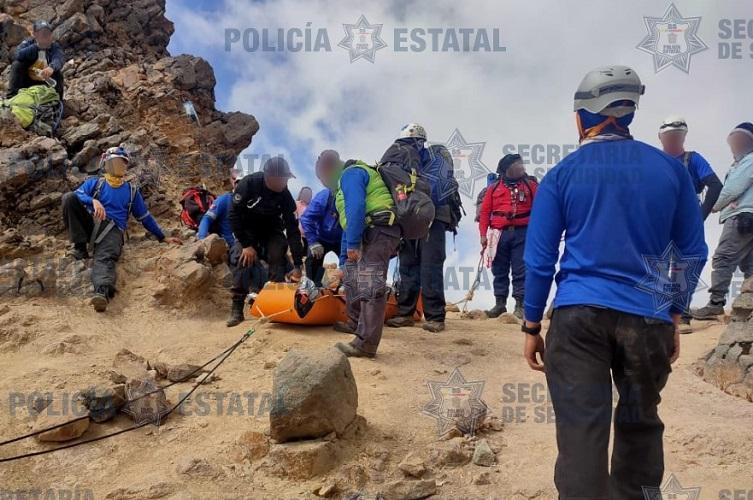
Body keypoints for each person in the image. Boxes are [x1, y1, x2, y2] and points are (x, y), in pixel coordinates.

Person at [522, 65, 707, 499]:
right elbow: (692, 251)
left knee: (581, 432)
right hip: (649, 318)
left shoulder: (563, 174)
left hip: (577, 318)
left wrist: (532, 324)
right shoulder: (671, 170)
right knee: (641, 423)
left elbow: (540, 259)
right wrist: (673, 313)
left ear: (583, 115)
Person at [61, 147, 181, 312]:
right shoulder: (95, 182)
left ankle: (102, 293)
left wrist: (162, 237)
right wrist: (92, 201)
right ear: (107, 163)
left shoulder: (131, 191)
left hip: (113, 230)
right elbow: (77, 194)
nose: (119, 165)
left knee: (105, 259)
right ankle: (80, 248)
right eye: (115, 161)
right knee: (69, 198)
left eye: (122, 162)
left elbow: (145, 217)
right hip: (92, 223)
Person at [332, 158, 400, 358]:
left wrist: (353, 243)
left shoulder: (351, 173)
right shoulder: (367, 174)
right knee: (368, 284)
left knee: (371, 286)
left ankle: (365, 344)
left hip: (376, 230)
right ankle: (360, 331)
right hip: (383, 231)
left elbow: (356, 206)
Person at [387, 133, 455, 333]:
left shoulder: (436, 159)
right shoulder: (406, 164)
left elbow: (437, 191)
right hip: (411, 218)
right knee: (408, 264)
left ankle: (435, 316)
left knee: (430, 266)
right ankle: (405, 313)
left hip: (433, 217)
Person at [226, 157, 304, 327]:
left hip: (271, 231)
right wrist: (246, 244)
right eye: (282, 179)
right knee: (242, 257)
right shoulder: (249, 184)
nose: (285, 183)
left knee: (278, 251)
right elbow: (233, 215)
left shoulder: (285, 195)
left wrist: (298, 264)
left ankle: (275, 304)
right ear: (269, 177)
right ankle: (237, 306)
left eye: (286, 179)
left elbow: (292, 230)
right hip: (248, 231)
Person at [692, 122, 753, 319]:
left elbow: (732, 188)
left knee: (724, 257)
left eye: (739, 140)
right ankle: (748, 307)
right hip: (746, 215)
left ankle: (716, 303)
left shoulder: (749, 161)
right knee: (749, 264)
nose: (734, 145)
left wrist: (713, 206)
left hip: (741, 216)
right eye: (732, 141)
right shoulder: (741, 162)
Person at [478, 153, 537, 319]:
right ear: (506, 171)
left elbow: (542, 208)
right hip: (499, 234)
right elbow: (484, 213)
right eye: (515, 166)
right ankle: (500, 304)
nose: (520, 168)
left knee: (520, 270)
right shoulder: (494, 188)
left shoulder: (531, 186)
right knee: (499, 270)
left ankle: (520, 305)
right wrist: (483, 235)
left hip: (523, 233)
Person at [658, 116, 722, 220]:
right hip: (660, 216)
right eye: (670, 136)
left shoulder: (693, 159)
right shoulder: (655, 161)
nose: (674, 139)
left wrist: (700, 217)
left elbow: (715, 185)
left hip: (686, 216)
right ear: (660, 137)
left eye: (678, 136)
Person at [300, 150, 344, 287]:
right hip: (321, 238)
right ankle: (313, 288)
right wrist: (313, 242)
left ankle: (343, 292)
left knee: (347, 265)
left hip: (341, 240)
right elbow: (306, 219)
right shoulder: (324, 196)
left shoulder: (350, 189)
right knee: (314, 262)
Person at [8, 20, 65, 99]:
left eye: (47, 33)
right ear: (34, 34)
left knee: (58, 74)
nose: (45, 36)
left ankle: (57, 100)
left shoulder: (54, 46)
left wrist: (51, 67)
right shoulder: (28, 43)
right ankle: (12, 97)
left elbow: (59, 58)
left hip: (45, 81)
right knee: (17, 65)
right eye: (42, 33)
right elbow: (17, 55)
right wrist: (37, 47)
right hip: (26, 81)